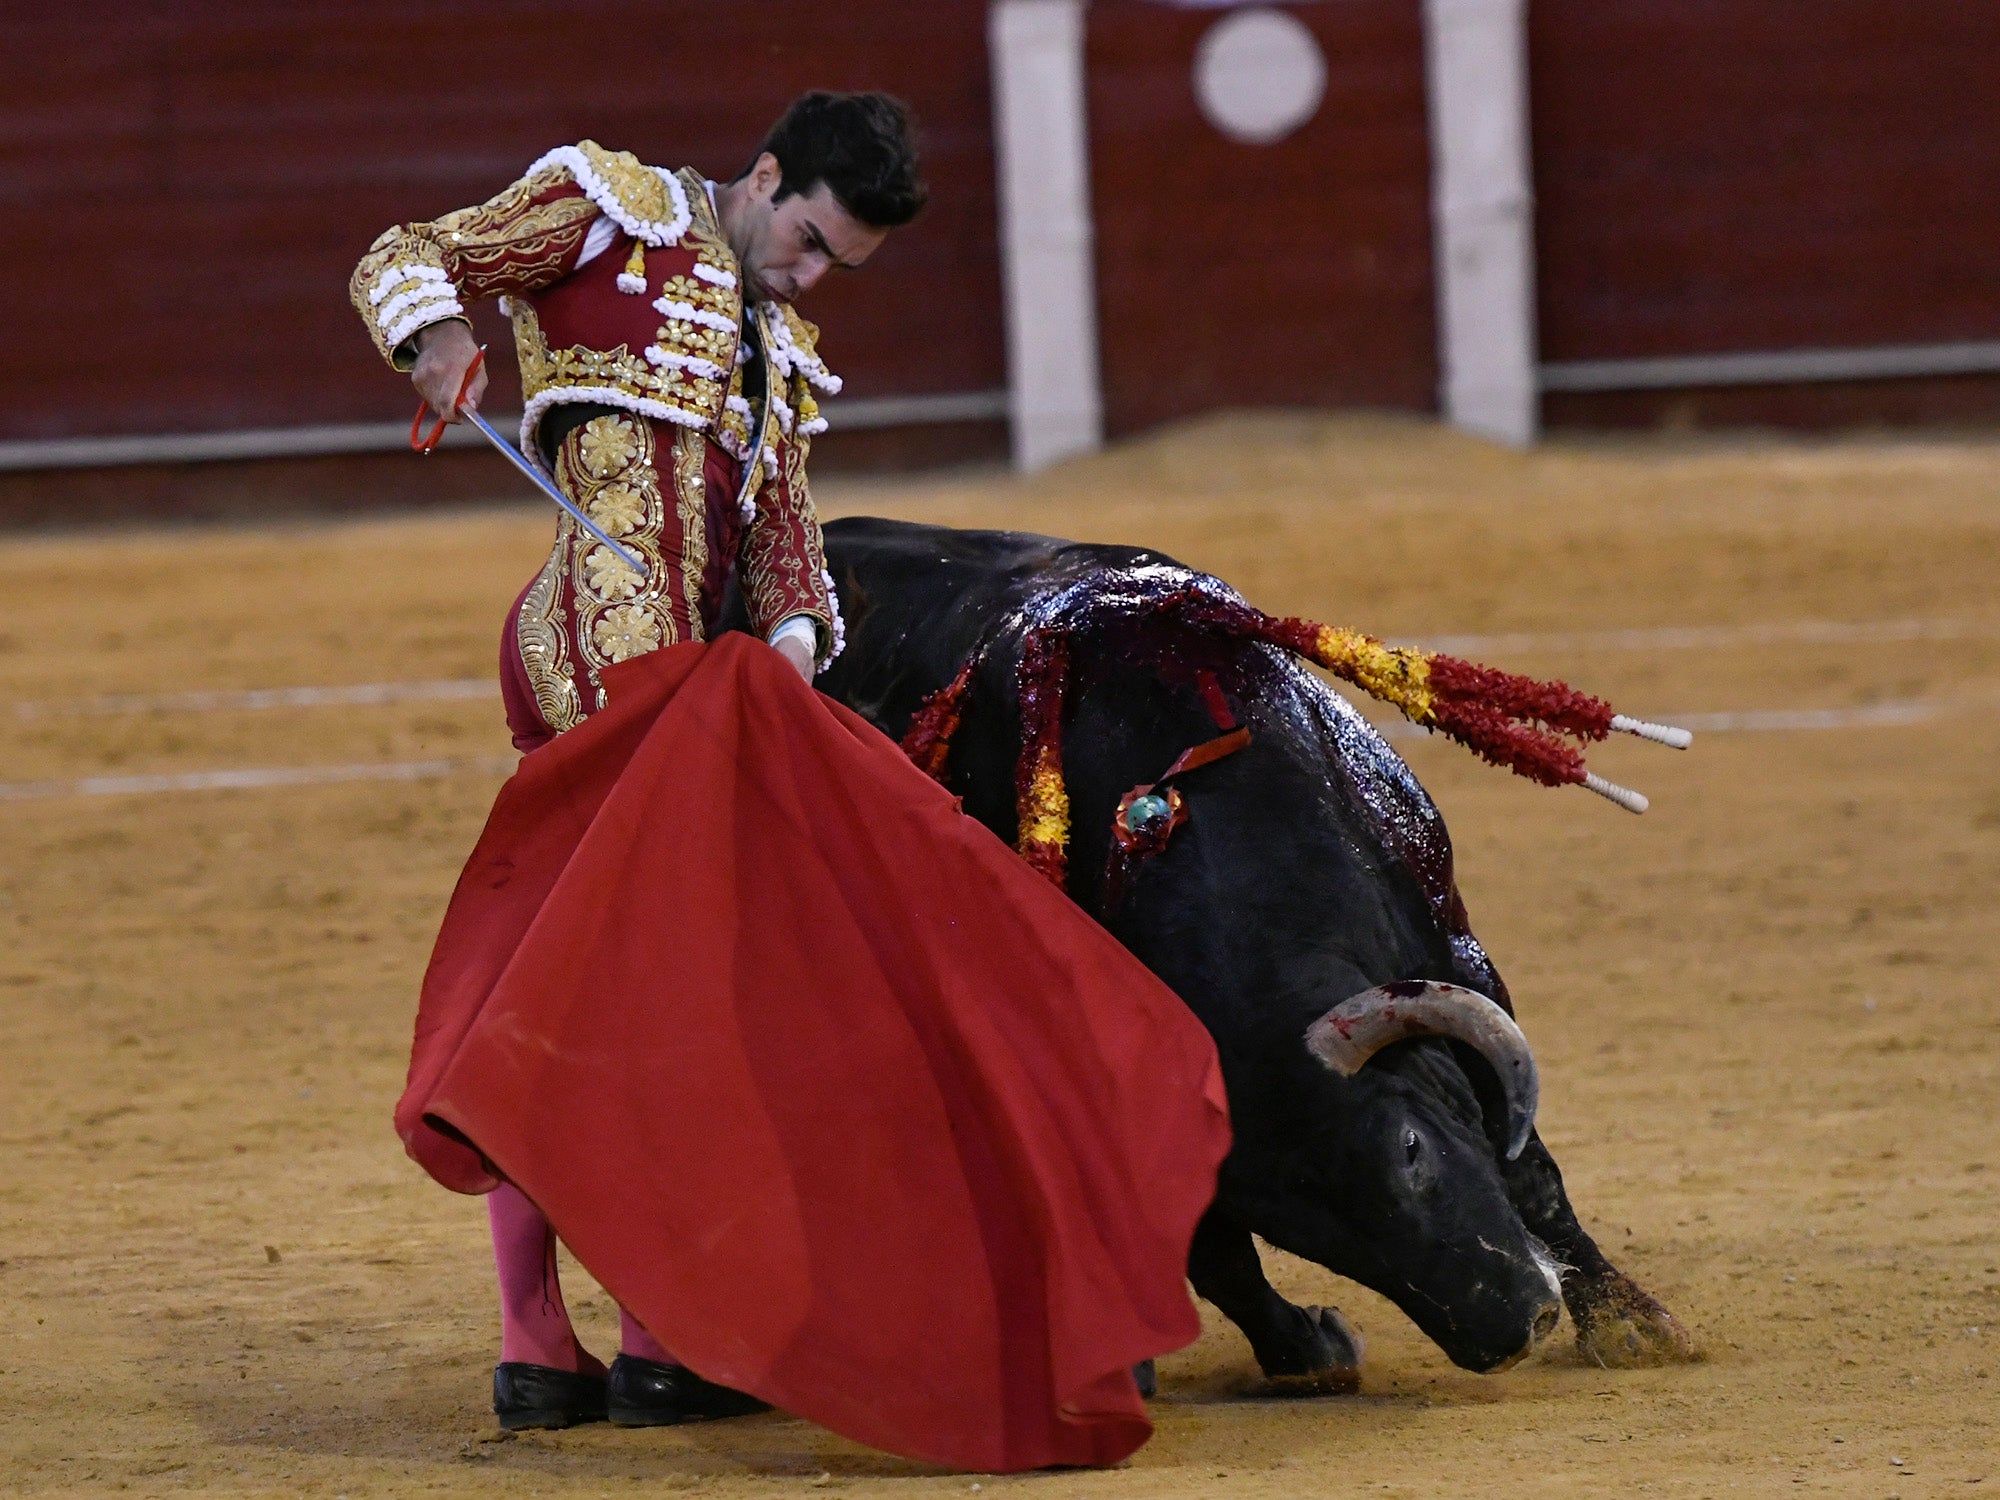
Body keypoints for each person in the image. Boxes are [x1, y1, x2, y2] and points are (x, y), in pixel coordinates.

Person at [354, 92, 1231, 1471]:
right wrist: (441, 339)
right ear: (765, 177)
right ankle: (599, 1334)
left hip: (695, 689)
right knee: (641, 988)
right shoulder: (609, 209)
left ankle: (584, 1347)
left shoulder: (774, 350)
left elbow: (777, 531)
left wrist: (799, 636)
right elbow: (407, 252)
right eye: (810, 243)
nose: (811, 278)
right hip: (598, 661)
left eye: (838, 267)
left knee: (608, 985)